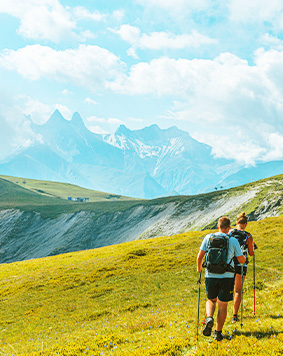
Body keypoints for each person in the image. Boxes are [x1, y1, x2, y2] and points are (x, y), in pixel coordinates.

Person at [197, 216, 246, 341]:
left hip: (210, 275)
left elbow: (200, 257)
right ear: (229, 228)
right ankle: (218, 333)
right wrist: (243, 256)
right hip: (227, 277)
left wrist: (199, 269)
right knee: (222, 305)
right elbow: (241, 260)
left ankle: (209, 317)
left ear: (218, 226)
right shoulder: (233, 240)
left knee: (211, 300)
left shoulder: (208, 238)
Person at [230, 212, 254, 323]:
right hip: (241, 264)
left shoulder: (230, 232)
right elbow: (251, 253)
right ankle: (234, 316)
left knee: (222, 288)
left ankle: (210, 315)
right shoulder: (248, 236)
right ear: (246, 224)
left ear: (237, 222)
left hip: (229, 263)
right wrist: (252, 246)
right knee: (238, 291)